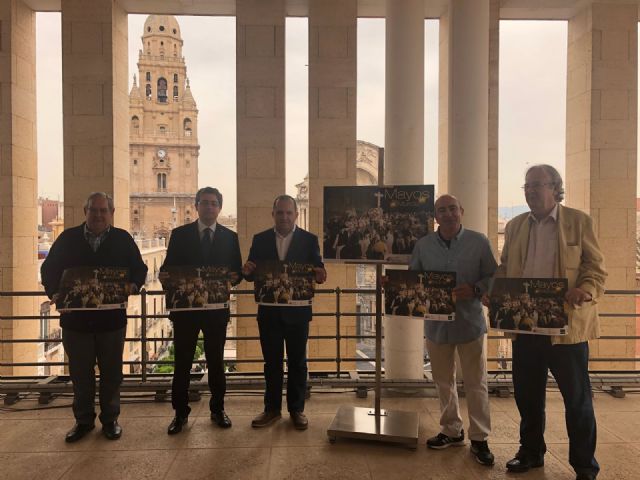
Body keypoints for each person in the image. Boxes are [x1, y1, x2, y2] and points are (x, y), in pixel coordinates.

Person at [496, 164, 607, 480]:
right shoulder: (516, 225)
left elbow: (595, 268)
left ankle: (585, 465)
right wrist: (497, 291)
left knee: (577, 401)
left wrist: (585, 289)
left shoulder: (578, 222)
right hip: (525, 326)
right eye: (527, 186)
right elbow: (505, 268)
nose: (531, 191)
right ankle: (531, 453)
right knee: (527, 397)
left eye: (537, 185)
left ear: (555, 188)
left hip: (566, 330)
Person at [41, 192, 147, 442]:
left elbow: (139, 268)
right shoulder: (67, 238)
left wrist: (133, 286)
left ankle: (110, 420)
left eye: (103, 210)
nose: (98, 215)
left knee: (111, 373)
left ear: (111, 213)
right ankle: (83, 421)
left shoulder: (123, 239)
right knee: (80, 374)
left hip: (111, 322)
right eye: (94, 210)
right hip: (76, 322)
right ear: (85, 211)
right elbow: (49, 269)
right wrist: (55, 292)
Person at [409, 194, 497, 466]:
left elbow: (494, 275)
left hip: (469, 322)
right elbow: (414, 279)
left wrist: (476, 289)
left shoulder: (479, 242)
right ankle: (451, 429)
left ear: (462, 211)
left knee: (476, 382)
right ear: (435, 216)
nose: (447, 214)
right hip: (436, 326)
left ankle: (480, 438)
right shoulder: (423, 245)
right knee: (443, 381)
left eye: (452, 209)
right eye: (441, 210)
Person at [161, 187, 242, 434]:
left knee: (216, 362)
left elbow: (236, 273)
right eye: (204, 203)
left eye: (214, 203)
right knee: (183, 363)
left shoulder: (230, 237)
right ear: (196, 206)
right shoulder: (179, 234)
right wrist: (163, 276)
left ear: (219, 208)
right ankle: (180, 413)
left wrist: (233, 278)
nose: (209, 207)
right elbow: (168, 269)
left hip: (216, 312)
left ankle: (218, 410)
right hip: (186, 312)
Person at [242, 195, 327, 430]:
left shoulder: (309, 240)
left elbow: (318, 268)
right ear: (273, 214)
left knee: (298, 363)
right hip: (269, 313)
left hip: (298, 313)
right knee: (272, 363)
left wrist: (321, 274)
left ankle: (296, 410)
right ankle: (271, 410)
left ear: (296, 214)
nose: (284, 217)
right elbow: (251, 272)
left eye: (289, 213)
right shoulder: (259, 240)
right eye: (280, 212)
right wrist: (247, 270)